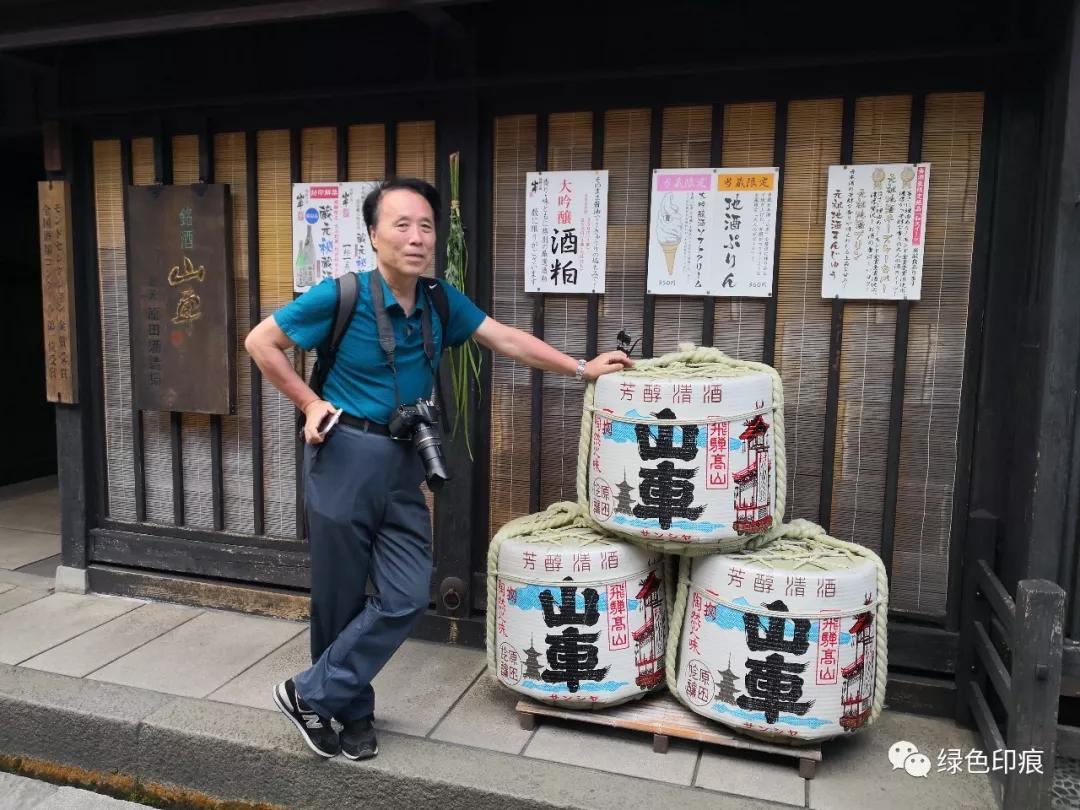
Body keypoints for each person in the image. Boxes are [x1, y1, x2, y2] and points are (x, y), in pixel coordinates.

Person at [245, 177, 632, 761]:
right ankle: (347, 711)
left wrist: (582, 369)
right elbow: (260, 341)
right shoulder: (341, 295)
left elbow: (505, 339)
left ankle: (310, 693)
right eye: (402, 224)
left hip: (404, 459)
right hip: (346, 451)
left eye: (426, 226)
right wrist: (309, 402)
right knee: (339, 596)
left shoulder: (440, 301)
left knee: (404, 594)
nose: (417, 237)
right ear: (374, 235)